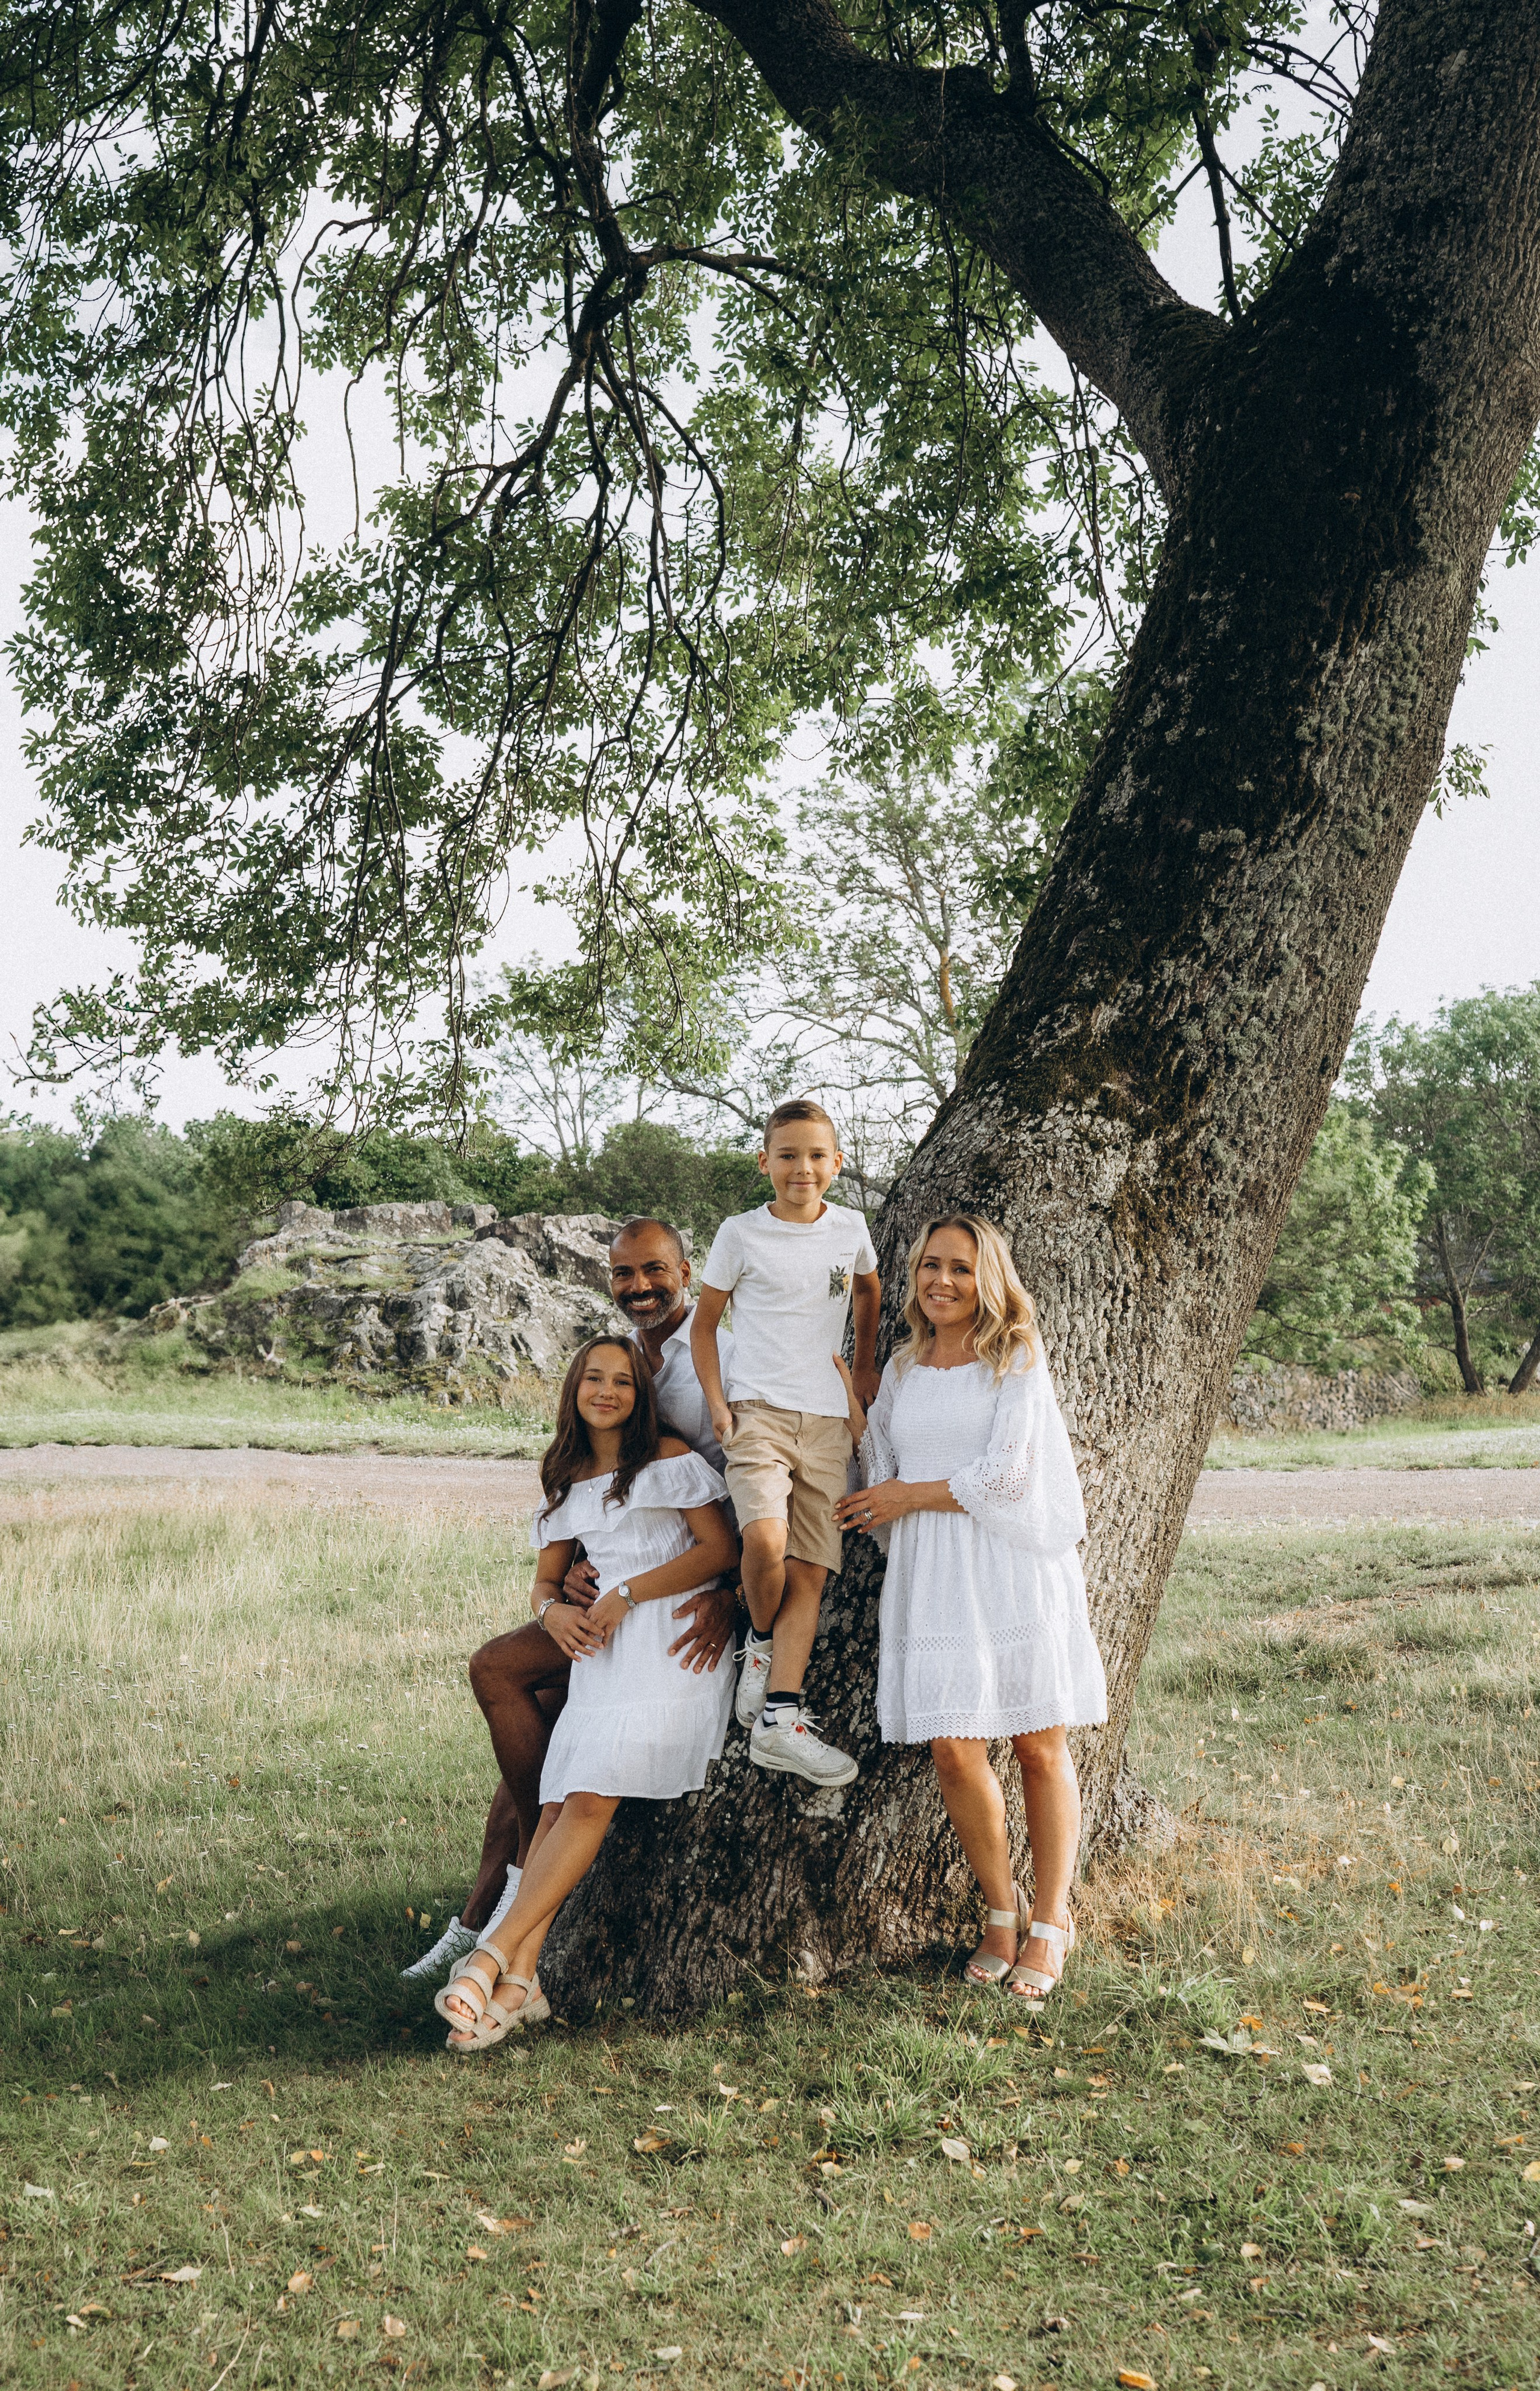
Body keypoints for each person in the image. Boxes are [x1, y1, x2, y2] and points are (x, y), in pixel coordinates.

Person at [402, 1216, 735, 1985]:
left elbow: (749, 1497)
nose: (640, 1287)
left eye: (655, 1271)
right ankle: (491, 1913)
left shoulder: (721, 1353)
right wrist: (556, 1594)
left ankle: (499, 1913)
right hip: (609, 1598)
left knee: (555, 1755)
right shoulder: (589, 1426)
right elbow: (571, 1531)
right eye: (624, 1275)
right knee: (510, 1691)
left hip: (683, 1588)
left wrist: (735, 1596)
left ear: (687, 1271)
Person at [832, 1214, 1106, 2004]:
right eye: (928, 1266)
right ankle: (1001, 1907)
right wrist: (845, 1397)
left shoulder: (1014, 1356)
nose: (941, 1281)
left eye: (959, 1266)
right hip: (934, 1574)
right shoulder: (908, 1366)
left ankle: (1051, 1918)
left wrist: (908, 1494)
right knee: (954, 1749)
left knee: (1039, 1746)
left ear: (987, 1275)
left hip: (1010, 1563)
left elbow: (1011, 1480)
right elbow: (879, 1466)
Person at [691, 1098, 880, 1788]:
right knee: (766, 1545)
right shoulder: (740, 1234)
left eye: (816, 1156)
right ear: (765, 1162)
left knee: (812, 1567)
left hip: (827, 1421)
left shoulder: (852, 1227)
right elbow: (705, 1325)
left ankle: (780, 1718)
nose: (803, 1169)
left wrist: (861, 1368)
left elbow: (867, 1288)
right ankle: (762, 1643)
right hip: (759, 1413)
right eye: (789, 1155)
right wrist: (718, 1402)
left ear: (836, 1163)